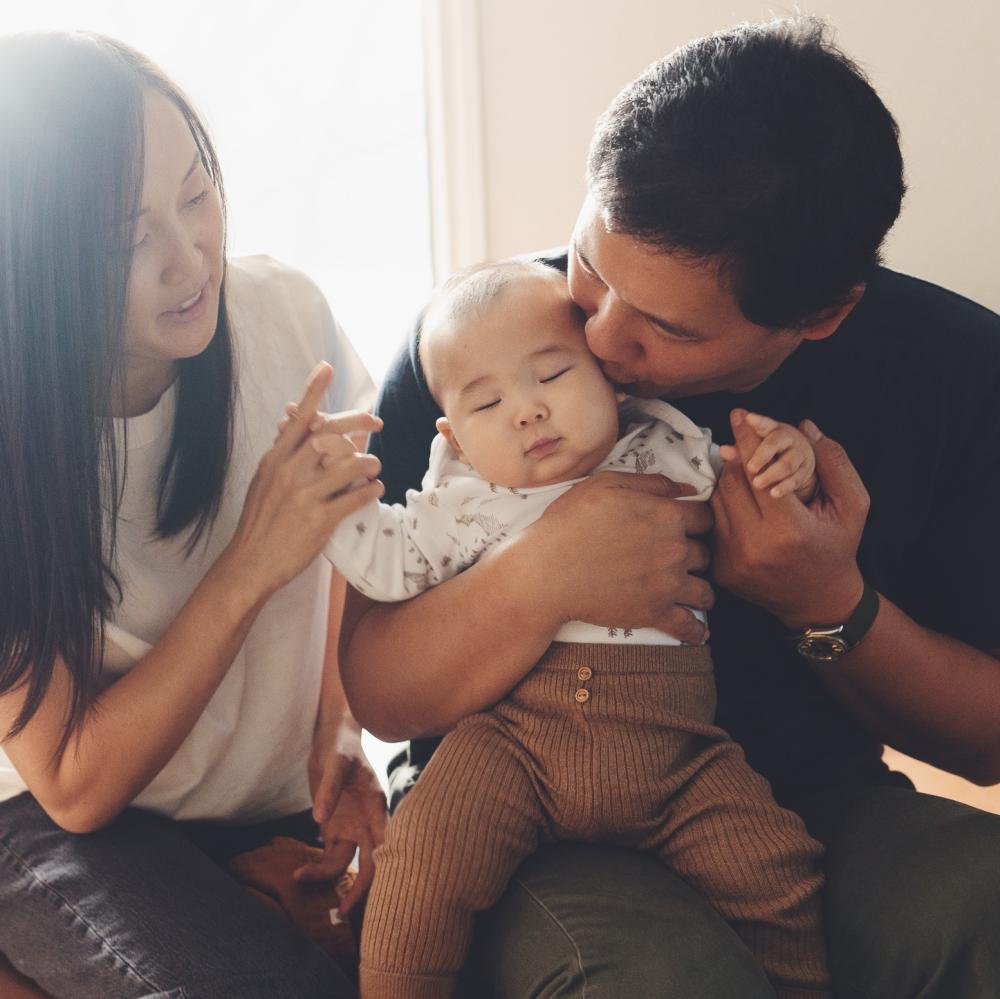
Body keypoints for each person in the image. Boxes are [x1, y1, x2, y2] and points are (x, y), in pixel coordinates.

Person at [336, 17, 1000, 999]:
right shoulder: (485, 349)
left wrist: (826, 603)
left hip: (801, 802)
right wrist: (546, 571)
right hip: (520, 807)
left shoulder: (951, 372)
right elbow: (379, 691)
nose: (598, 335)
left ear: (820, 315)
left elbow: (982, 743)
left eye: (664, 326)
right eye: (590, 265)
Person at [319, 259, 827, 997]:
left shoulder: (666, 449)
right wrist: (339, 498)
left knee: (778, 866)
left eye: (552, 377)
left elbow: (759, 500)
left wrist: (792, 465)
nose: (526, 412)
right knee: (424, 856)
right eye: (487, 404)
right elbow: (386, 564)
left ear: (612, 380)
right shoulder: (463, 500)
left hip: (676, 752)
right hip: (513, 746)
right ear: (454, 437)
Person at [0, 32, 386, 999]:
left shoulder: (285, 317)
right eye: (129, 239)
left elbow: (357, 539)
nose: (190, 258)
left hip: (263, 800)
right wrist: (252, 561)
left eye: (196, 191)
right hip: (68, 826)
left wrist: (342, 731)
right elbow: (74, 783)